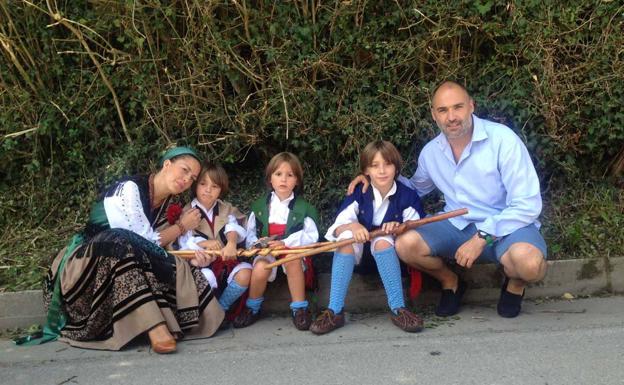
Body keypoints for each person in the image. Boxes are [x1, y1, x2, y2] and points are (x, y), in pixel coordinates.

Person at [348, 81, 547, 318]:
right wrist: (374, 177)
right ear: (434, 115)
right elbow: (415, 188)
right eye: (443, 110)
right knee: (405, 244)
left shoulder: (503, 140)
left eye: (458, 107)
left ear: (471, 106)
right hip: (457, 224)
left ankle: (515, 284)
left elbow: (527, 204)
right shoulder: (432, 152)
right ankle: (451, 282)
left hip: (504, 227)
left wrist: (482, 237)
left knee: (530, 265)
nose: (451, 117)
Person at [35, 147, 224, 353]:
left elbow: (163, 247)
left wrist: (194, 256)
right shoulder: (129, 188)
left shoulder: (169, 203)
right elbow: (144, 240)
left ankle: (192, 319)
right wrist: (181, 227)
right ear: (167, 164)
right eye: (184, 170)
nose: (187, 180)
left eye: (192, 177)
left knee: (172, 263)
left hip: (123, 260)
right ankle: (155, 327)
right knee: (122, 240)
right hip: (85, 264)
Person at [310, 141, 425, 335]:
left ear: (396, 167)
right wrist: (353, 226)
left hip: (390, 258)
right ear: (366, 171)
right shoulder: (359, 193)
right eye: (374, 165)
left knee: (382, 240)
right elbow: (336, 230)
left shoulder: (407, 196)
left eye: (387, 164)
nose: (381, 171)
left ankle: (399, 309)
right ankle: (334, 311)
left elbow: (418, 229)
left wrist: (399, 229)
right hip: (357, 259)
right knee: (346, 237)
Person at [233, 152, 320, 330]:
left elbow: (311, 236)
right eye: (278, 174)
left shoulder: (304, 208)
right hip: (267, 252)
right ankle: (252, 307)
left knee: (293, 261)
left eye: (290, 175)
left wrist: (286, 243)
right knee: (260, 267)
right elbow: (251, 235)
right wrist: (259, 244)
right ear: (270, 178)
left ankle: (299, 308)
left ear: (297, 180)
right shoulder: (259, 207)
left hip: (291, 250)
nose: (284, 180)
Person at [177, 162, 251, 319]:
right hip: (200, 263)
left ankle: (221, 309)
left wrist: (231, 244)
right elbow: (184, 243)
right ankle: (207, 315)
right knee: (205, 277)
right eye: (203, 184)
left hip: (226, 260)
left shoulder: (226, 208)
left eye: (215, 186)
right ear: (195, 185)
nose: (208, 190)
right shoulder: (187, 211)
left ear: (221, 190)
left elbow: (233, 227)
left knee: (245, 273)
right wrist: (204, 244)